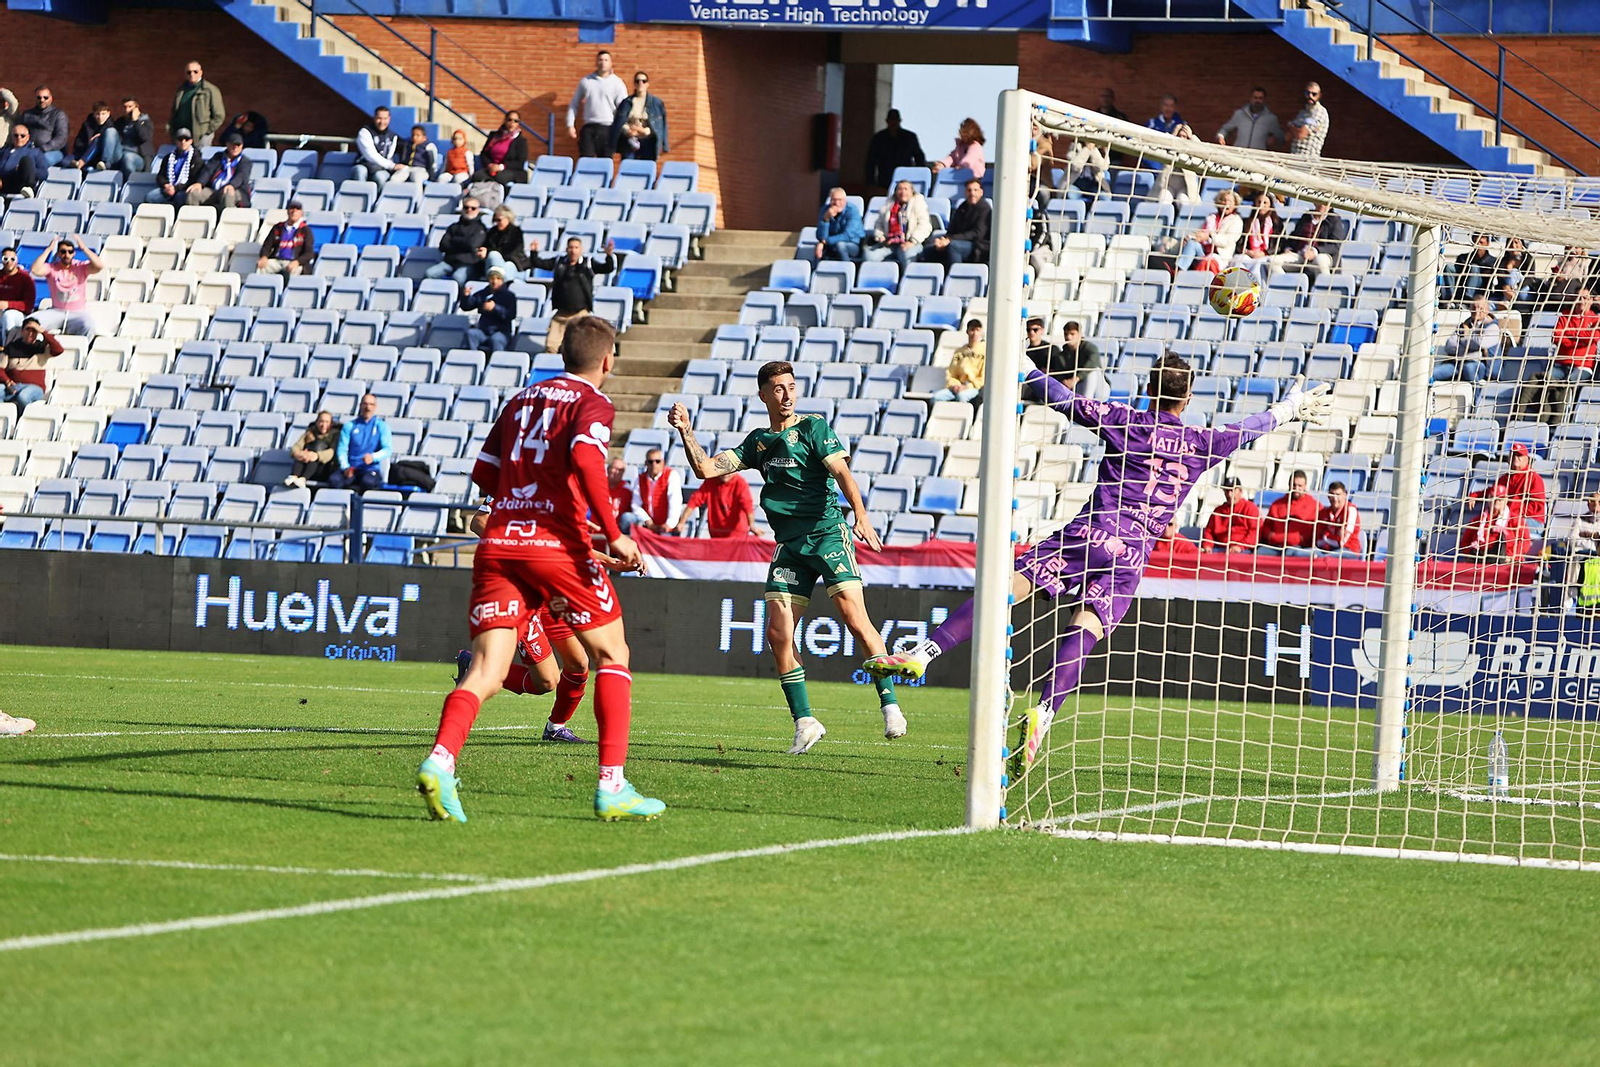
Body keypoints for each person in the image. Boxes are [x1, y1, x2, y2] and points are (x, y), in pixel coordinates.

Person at [863, 359, 1331, 766]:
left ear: (1150, 391)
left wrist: (1017, 356)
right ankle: (1043, 716)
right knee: (1084, 631)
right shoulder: (1203, 442)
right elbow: (1249, 429)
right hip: (1130, 557)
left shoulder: (1124, 420)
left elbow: (1060, 396)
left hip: (1090, 533)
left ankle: (924, 654)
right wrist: (1288, 409)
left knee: (1007, 590)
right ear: (1187, 399)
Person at [419, 316, 662, 823]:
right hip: (554, 545)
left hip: (500, 542)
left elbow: (485, 473)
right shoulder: (593, 403)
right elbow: (587, 461)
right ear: (607, 360)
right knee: (612, 654)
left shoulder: (520, 400)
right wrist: (614, 533)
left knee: (488, 669)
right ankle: (612, 785)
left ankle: (440, 762)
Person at [669, 360, 906, 753]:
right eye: (778, 388)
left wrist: (860, 514)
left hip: (827, 534)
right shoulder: (758, 442)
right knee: (778, 634)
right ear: (763, 394)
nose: (787, 394)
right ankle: (805, 721)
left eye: (791, 386)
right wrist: (686, 432)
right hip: (790, 546)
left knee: (855, 620)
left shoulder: (814, 428)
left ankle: (890, 704)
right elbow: (705, 468)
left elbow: (843, 473)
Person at [455, 507, 593, 745]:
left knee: (579, 663)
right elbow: (478, 522)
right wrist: (522, 552)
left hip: (552, 591)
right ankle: (476, 667)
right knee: (546, 682)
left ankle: (556, 728)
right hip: (525, 595)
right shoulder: (515, 480)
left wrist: (612, 560)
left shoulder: (562, 490)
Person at [529, 236, 619, 353]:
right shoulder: (559, 262)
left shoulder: (588, 263)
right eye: (571, 247)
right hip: (561, 315)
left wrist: (609, 255)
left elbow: (607, 268)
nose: (573, 250)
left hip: (580, 315)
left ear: (581, 249)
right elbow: (538, 263)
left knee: (579, 349)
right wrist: (534, 252)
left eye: (576, 247)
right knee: (551, 347)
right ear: (567, 249)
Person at [30, 237, 103, 336]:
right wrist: (48, 250)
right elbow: (35, 269)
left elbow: (99, 266)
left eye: (70, 251)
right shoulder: (52, 268)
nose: (66, 255)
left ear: (74, 253)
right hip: (56, 311)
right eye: (63, 251)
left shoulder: (81, 267)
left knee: (89, 326)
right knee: (31, 323)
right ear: (59, 253)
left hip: (78, 313)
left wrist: (84, 248)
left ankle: (81, 349)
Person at [1468, 442, 1547, 532]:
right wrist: (1475, 495)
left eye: (1519, 455)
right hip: (1508, 517)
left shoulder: (1534, 478)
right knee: (1480, 524)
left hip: (1532, 521)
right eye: (1513, 455)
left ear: (1526, 459)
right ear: (1509, 458)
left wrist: (1509, 511)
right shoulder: (1506, 477)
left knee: (1503, 525)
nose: (1515, 458)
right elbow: (1493, 491)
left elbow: (1536, 506)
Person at [566, 50, 629, 158]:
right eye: (600, 60)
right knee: (585, 162)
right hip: (589, 128)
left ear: (611, 63)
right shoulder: (586, 81)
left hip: (608, 128)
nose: (603, 62)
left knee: (604, 163)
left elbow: (623, 109)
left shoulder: (617, 83)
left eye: (606, 60)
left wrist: (623, 128)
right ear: (596, 62)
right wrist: (570, 125)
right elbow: (574, 104)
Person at [1268, 201, 1347, 284]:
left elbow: (1335, 245)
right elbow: (1294, 235)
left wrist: (1315, 251)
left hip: (1323, 255)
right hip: (1301, 255)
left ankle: (1325, 290)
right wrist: (1288, 248)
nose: (1322, 205)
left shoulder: (1334, 220)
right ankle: (1288, 285)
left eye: (1326, 203)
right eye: (1321, 202)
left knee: (1320, 260)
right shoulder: (1306, 217)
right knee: (1272, 261)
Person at [1431, 296, 1501, 384]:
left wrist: (1463, 339)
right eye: (1473, 308)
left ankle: (1475, 396)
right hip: (1457, 363)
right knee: (1432, 374)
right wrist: (1470, 345)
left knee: (1469, 369)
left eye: (1480, 308)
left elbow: (1480, 344)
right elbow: (1449, 345)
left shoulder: (1492, 327)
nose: (1476, 311)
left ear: (1487, 310)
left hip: (1479, 364)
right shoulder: (1464, 326)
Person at [329, 392, 391, 492]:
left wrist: (373, 457)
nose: (368, 407)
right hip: (352, 467)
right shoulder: (349, 426)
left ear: (375, 407)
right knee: (334, 480)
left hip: (370, 469)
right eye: (365, 404)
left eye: (371, 404)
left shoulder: (382, 426)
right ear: (360, 405)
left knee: (368, 482)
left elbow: (387, 450)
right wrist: (345, 468)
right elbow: (342, 449)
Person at [862, 179, 931, 268]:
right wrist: (880, 236)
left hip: (910, 243)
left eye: (906, 189)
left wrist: (912, 241)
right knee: (869, 255)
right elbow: (878, 224)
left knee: (908, 256)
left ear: (912, 192)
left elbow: (925, 226)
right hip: (889, 243)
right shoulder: (888, 206)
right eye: (900, 189)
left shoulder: (919, 204)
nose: (903, 192)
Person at [923, 178, 990, 266]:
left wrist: (950, 239)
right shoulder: (962, 207)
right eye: (969, 190)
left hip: (978, 247)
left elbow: (977, 233)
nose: (972, 193)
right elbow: (952, 229)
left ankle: (956, 275)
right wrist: (943, 240)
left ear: (981, 192)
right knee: (929, 251)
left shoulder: (985, 209)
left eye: (975, 190)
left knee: (953, 246)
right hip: (959, 241)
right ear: (965, 192)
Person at [0, 317, 62, 412]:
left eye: (34, 330)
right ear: (22, 331)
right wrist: (7, 381)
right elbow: (1, 369)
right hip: (14, 385)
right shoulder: (11, 348)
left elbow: (58, 350)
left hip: (35, 388)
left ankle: (22, 420)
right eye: (27, 329)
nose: (30, 333)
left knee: (23, 397)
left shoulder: (42, 347)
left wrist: (43, 331)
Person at [1456, 483, 1530, 562]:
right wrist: (1470, 553)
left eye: (1500, 498)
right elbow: (1465, 543)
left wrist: (1511, 556)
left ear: (1506, 500)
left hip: (1504, 561)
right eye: (1493, 497)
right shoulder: (1478, 520)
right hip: (1479, 560)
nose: (1496, 501)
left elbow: (1525, 542)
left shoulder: (1515, 520)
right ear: (1488, 498)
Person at [424, 196, 489, 285]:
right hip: (449, 262)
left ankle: (459, 298)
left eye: (473, 208)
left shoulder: (480, 228)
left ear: (478, 210)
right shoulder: (454, 226)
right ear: (462, 208)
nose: (469, 210)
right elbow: (443, 245)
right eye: (466, 207)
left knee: (458, 278)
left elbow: (471, 245)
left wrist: (454, 241)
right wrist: (464, 242)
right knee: (429, 273)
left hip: (468, 263)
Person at [1177, 188, 1242, 273]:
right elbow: (1201, 232)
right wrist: (1191, 237)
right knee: (1191, 243)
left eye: (1230, 201)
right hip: (1204, 251)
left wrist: (1210, 237)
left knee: (1208, 261)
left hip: (1220, 256)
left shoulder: (1236, 221)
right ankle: (1179, 272)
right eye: (1223, 200)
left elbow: (1228, 240)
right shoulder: (1212, 217)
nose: (1226, 203)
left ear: (1235, 204)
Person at [672, 471, 754, 539]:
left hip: (736, 536)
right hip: (716, 535)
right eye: (722, 470)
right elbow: (695, 500)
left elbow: (747, 505)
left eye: (728, 471)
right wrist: (682, 522)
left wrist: (752, 525)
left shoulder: (740, 483)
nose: (725, 474)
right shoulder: (711, 481)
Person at [459, 264, 517, 354]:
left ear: (502, 280)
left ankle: (497, 363)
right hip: (483, 332)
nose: (494, 282)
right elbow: (466, 306)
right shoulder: (483, 294)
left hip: (502, 332)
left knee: (496, 339)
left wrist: (495, 308)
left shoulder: (509, 296)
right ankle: (471, 360)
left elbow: (511, 315)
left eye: (498, 279)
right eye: (492, 279)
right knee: (471, 334)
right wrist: (466, 296)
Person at [609, 71, 667, 161]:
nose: (640, 83)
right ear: (634, 84)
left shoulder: (656, 103)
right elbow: (619, 122)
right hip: (630, 141)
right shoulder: (626, 102)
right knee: (628, 168)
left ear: (648, 84)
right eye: (637, 81)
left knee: (646, 169)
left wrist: (645, 131)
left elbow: (661, 125)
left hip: (648, 142)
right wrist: (628, 130)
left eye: (643, 81)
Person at [185, 132, 252, 209]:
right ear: (227, 144)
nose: (235, 147)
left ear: (242, 146)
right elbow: (208, 170)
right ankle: (193, 219)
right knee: (193, 193)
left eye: (238, 145)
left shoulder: (245, 162)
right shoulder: (218, 157)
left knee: (228, 194)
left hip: (236, 190)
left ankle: (227, 220)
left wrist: (231, 185)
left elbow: (241, 176)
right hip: (214, 190)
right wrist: (200, 183)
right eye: (233, 144)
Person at [1261, 469, 1319, 554]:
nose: (1296, 488)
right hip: (1276, 546)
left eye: (1300, 485)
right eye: (1294, 485)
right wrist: (1272, 536)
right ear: (1289, 485)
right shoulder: (1277, 504)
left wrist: (1296, 539)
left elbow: (1314, 531)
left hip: (1299, 547)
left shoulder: (1314, 506)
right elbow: (1267, 526)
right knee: (1260, 552)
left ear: (1305, 486)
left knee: (1291, 553)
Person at [864, 108, 925, 190]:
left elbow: (919, 158)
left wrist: (917, 177)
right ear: (887, 121)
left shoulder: (909, 137)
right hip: (884, 181)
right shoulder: (879, 138)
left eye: (895, 120)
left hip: (905, 180)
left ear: (899, 121)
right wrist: (871, 183)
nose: (893, 123)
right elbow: (871, 161)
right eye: (891, 120)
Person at [1231, 190, 1283, 282]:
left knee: (1258, 265)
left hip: (1266, 255)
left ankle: (1257, 291)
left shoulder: (1277, 223)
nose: (1261, 205)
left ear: (1270, 205)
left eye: (1265, 203)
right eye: (1259, 202)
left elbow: (1279, 245)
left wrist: (1264, 253)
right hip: (1249, 254)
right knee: (1237, 261)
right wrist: (1248, 252)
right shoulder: (1247, 222)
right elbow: (1240, 243)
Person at [170, 60, 225, 145]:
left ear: (201, 72)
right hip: (182, 136)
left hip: (201, 136)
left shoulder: (210, 90)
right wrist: (171, 129)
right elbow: (174, 112)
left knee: (199, 157)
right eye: (189, 72)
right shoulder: (181, 90)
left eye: (195, 71)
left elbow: (219, 115)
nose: (192, 74)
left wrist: (207, 132)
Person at [1552, 288, 1600, 384]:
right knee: (1543, 379)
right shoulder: (1564, 316)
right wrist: (1580, 339)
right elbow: (1556, 338)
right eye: (1578, 298)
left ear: (1591, 301)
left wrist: (1569, 333)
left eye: (1585, 298)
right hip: (1561, 364)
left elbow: (1592, 338)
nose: (1581, 301)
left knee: (1569, 382)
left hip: (1583, 366)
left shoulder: (1596, 319)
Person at [630, 448, 684, 533]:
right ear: (646, 463)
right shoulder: (640, 479)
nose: (654, 464)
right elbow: (635, 505)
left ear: (663, 463)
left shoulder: (672, 476)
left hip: (667, 525)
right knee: (627, 518)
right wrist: (648, 521)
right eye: (650, 462)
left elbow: (675, 502)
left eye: (657, 461)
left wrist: (669, 524)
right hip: (647, 524)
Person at [256, 200, 315, 276]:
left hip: (294, 262)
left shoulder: (306, 230)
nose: (294, 211)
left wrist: (297, 262)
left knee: (294, 271)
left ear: (301, 213)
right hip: (277, 260)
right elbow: (267, 246)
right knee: (262, 267)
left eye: (297, 209)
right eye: (291, 209)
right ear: (287, 211)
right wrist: (264, 257)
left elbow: (309, 253)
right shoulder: (278, 227)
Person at [469, 111, 529, 186]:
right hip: (492, 168)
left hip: (511, 170)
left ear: (518, 123)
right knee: (477, 176)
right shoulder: (494, 136)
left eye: (515, 121)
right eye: (509, 120)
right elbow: (484, 154)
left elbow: (520, 162)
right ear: (505, 120)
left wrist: (500, 167)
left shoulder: (521, 141)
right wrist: (490, 165)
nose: (512, 123)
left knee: (500, 178)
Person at [1202, 477, 1260, 552]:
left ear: (1240, 491)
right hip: (1219, 548)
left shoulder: (1250, 508)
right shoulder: (1218, 511)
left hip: (1243, 550)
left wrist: (1240, 547)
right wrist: (1208, 545)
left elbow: (1255, 533)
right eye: (1227, 491)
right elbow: (1209, 532)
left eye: (1232, 490)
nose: (1229, 494)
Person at [284, 410, 340, 488]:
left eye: (327, 422)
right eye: (321, 421)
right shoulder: (310, 432)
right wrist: (298, 453)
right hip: (305, 463)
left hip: (323, 468)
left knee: (313, 456)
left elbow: (331, 452)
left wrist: (317, 455)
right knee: (301, 455)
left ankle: (303, 479)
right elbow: (297, 446)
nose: (323, 425)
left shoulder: (335, 435)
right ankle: (294, 476)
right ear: (317, 422)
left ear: (331, 424)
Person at [1216, 87, 1283, 151]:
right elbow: (1225, 128)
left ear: (1264, 99)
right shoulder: (1239, 114)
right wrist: (1221, 136)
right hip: (1239, 154)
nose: (1257, 101)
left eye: (1260, 98)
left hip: (1258, 156)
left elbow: (1280, 138)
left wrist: (1274, 139)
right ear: (1250, 98)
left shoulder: (1271, 119)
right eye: (1255, 98)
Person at [934, 319, 985, 402]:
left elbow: (983, 378)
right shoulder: (959, 352)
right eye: (972, 330)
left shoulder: (985, 351)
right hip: (958, 386)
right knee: (936, 397)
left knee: (962, 397)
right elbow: (951, 373)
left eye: (977, 330)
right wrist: (954, 385)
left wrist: (968, 386)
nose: (974, 334)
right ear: (967, 331)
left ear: (981, 332)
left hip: (975, 388)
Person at [146, 129, 199, 205]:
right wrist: (166, 185)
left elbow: (194, 179)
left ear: (191, 141)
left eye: (186, 139)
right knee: (150, 197)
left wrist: (176, 188)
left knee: (180, 198)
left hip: (184, 189)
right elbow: (160, 176)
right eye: (180, 139)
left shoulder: (196, 159)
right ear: (176, 141)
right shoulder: (168, 158)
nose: (183, 142)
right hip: (168, 188)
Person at [479, 205, 531, 282]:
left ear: (508, 218)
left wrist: (489, 252)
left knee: (497, 257)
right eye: (495, 220)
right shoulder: (492, 232)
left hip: (513, 262)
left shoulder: (516, 232)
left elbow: (512, 251)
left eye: (499, 220)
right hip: (493, 265)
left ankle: (499, 284)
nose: (497, 222)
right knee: (494, 257)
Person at [352, 106, 402, 185]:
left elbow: (389, 156)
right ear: (374, 118)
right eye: (379, 118)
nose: (382, 122)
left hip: (381, 169)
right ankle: (359, 196)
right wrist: (392, 166)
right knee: (360, 171)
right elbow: (370, 155)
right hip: (364, 165)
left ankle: (377, 197)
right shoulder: (365, 132)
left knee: (381, 177)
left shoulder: (393, 136)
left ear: (389, 119)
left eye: (385, 118)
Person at [20, 86, 68, 167]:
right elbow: (20, 132)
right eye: (39, 97)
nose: (42, 100)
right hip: (29, 149)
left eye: (45, 98)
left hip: (52, 151)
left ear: (51, 98)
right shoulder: (27, 114)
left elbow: (61, 137)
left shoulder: (58, 115)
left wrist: (43, 148)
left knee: (40, 160)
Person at [1445, 233, 1497, 306]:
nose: (1478, 245)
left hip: (1479, 290)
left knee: (1474, 268)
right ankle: (1450, 299)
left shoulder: (1493, 261)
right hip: (1461, 286)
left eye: (1481, 243)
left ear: (1487, 243)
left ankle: (1467, 301)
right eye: (1476, 242)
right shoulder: (1463, 258)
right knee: (1449, 266)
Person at [814, 187, 864, 262]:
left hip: (852, 244)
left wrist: (825, 242)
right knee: (818, 248)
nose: (837, 203)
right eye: (834, 200)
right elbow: (820, 236)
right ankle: (816, 270)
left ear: (845, 201)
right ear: (830, 200)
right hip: (831, 243)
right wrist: (826, 219)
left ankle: (846, 268)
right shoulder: (825, 210)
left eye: (840, 200)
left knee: (840, 245)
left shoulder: (853, 211)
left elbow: (847, 235)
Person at [1314, 481, 1363, 556]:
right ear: (1328, 496)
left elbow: (1342, 542)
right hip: (1327, 550)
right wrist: (1333, 537)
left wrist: (1325, 535)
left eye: (1338, 495)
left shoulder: (1351, 510)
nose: (1335, 498)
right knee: (1297, 553)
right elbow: (1318, 541)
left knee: (1324, 559)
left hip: (1349, 551)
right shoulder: (1323, 513)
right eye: (1332, 494)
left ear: (1344, 495)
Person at [69, 101, 119, 172]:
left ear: (108, 114)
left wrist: (100, 136)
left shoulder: (112, 126)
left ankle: (81, 163)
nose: (100, 117)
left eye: (103, 114)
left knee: (97, 140)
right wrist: (89, 143)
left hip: (102, 157)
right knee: (65, 162)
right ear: (93, 114)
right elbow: (78, 143)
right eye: (97, 114)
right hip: (85, 152)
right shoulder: (87, 125)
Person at [1285, 81, 1329, 159]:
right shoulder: (1302, 112)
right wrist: (1296, 129)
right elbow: (1287, 137)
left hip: (1308, 159)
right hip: (1294, 156)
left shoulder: (1319, 112)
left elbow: (1301, 135)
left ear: (1319, 95)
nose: (1310, 96)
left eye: (1314, 94)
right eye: (1307, 93)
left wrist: (1291, 126)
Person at [114, 98, 155, 180]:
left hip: (138, 158)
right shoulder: (120, 122)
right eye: (124, 107)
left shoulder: (145, 121)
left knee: (128, 157)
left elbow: (144, 137)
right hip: (120, 153)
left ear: (137, 107)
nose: (127, 110)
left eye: (130, 107)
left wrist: (136, 121)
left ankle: (130, 184)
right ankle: (106, 164)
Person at [0, 247, 35, 337]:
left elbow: (29, 305)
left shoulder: (26, 278)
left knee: (8, 316)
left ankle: (8, 347)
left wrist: (8, 304)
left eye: (12, 259)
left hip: (19, 314)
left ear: (17, 260)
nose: (9, 262)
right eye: (5, 259)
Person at [0, 125, 44, 197]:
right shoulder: (4, 151)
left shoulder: (35, 152)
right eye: (16, 135)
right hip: (4, 183)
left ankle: (29, 188)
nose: (19, 138)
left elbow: (44, 173)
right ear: (12, 137)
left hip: (21, 183)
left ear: (27, 137)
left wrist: (26, 169)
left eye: (22, 136)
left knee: (26, 160)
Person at [606, 457, 635, 535]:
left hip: (618, 533)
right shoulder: (597, 486)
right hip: (597, 531)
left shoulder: (628, 490)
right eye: (614, 468)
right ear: (608, 469)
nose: (617, 472)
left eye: (620, 470)